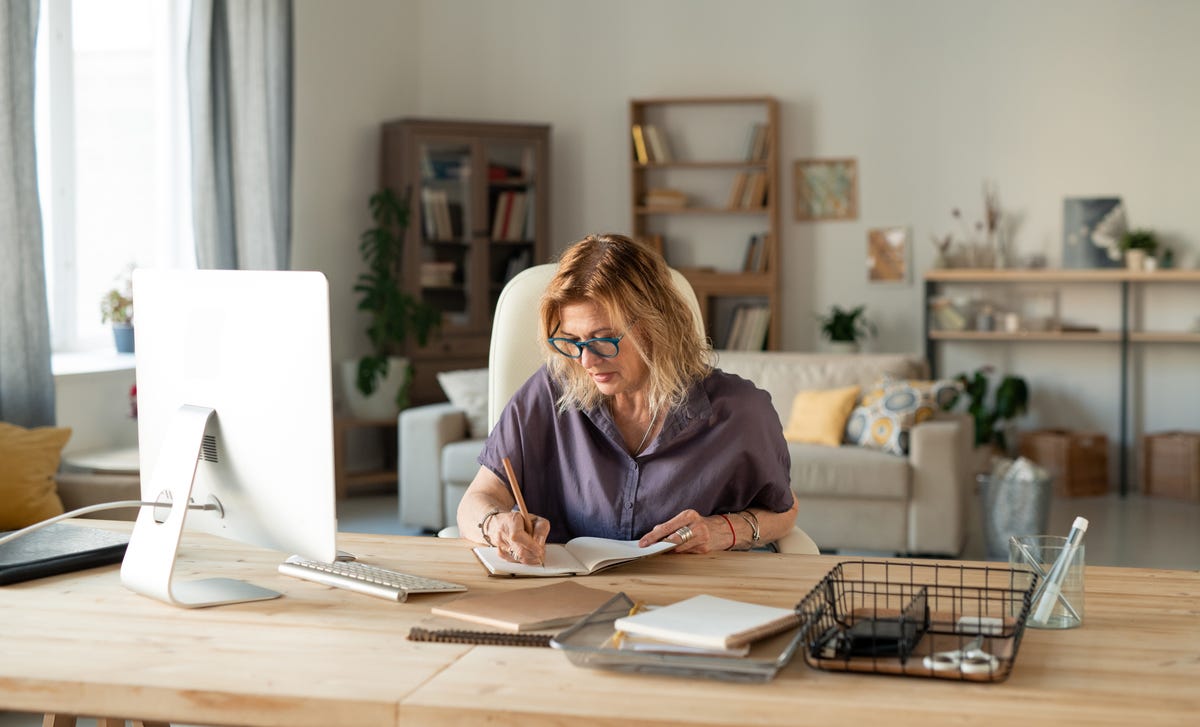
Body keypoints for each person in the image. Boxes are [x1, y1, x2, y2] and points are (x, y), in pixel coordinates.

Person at [456, 233, 797, 565]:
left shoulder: (741, 411)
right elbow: (476, 500)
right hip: (566, 598)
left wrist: (724, 530)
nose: (586, 361)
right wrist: (494, 525)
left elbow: (784, 512)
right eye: (571, 340)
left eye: (603, 339)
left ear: (655, 325)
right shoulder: (549, 391)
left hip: (692, 605)